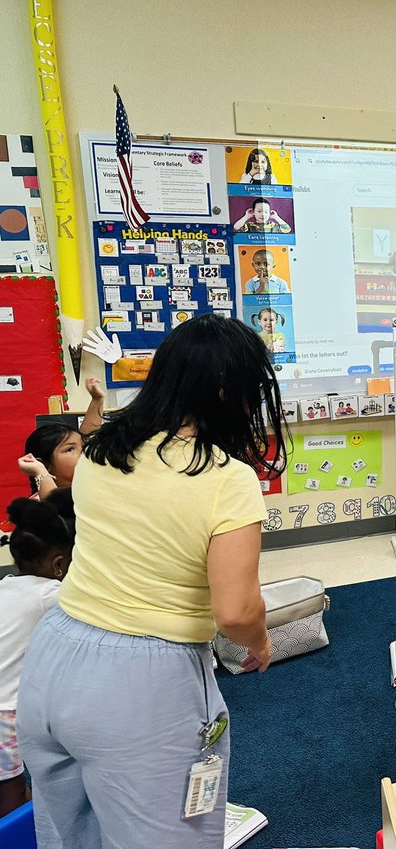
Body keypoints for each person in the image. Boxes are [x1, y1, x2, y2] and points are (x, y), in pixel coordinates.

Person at [16, 314, 282, 848]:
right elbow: (235, 611)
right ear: (228, 392)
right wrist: (260, 641)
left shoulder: (101, 449)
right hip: (141, 682)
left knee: (70, 834)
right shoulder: (226, 478)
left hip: (52, 657)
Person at [0, 492, 74, 818]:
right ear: (60, 565)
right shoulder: (50, 594)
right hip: (4, 711)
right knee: (10, 788)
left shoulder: (8, 585)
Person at [17, 377, 107, 500]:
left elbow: (87, 434)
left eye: (83, 445)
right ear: (45, 464)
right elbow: (57, 506)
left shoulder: (84, 486)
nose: (83, 451)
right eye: (69, 449)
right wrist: (40, 472)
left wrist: (97, 400)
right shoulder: (38, 503)